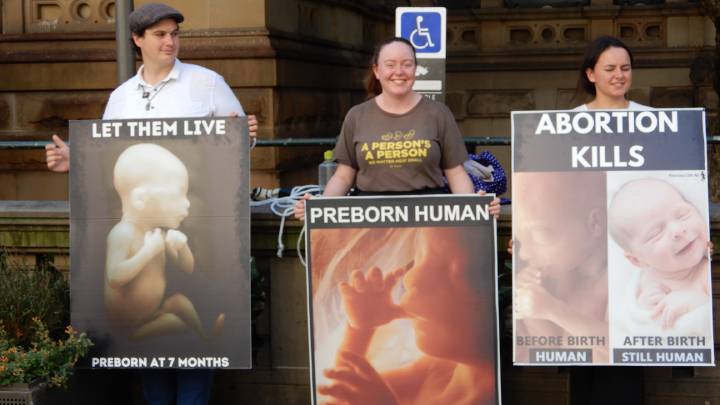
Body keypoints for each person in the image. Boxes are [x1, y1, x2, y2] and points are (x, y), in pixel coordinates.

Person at [45, 3, 257, 404]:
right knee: (152, 364)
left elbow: (237, 146)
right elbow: (106, 155)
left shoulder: (207, 83)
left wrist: (247, 134)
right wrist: (74, 159)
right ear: (137, 40)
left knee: (196, 354)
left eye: (175, 34)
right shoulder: (122, 97)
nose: (170, 42)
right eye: (160, 35)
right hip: (147, 244)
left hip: (197, 233)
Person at [294, 37, 500, 219]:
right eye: (390, 64)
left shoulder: (438, 113)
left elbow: (455, 173)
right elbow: (343, 176)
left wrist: (475, 208)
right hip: (368, 218)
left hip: (430, 219)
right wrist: (318, 209)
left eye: (406, 64)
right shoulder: (357, 116)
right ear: (376, 71)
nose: (399, 72)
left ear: (415, 69)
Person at [314, 227, 498, 405]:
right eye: (418, 258)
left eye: (453, 270)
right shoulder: (437, 367)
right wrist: (360, 329)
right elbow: (344, 393)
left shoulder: (488, 396)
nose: (412, 277)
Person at [106, 143, 224, 340]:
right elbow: (114, 277)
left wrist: (182, 247)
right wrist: (147, 253)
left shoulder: (155, 233)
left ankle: (205, 337)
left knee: (179, 302)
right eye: (178, 194)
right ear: (141, 198)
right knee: (173, 321)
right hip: (128, 325)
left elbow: (187, 268)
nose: (187, 203)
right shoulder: (123, 233)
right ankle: (198, 341)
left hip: (151, 313)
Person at [513, 171, 609, 362]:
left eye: (540, 235)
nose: (524, 254)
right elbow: (549, 350)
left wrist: (554, 310)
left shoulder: (618, 279)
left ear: (595, 223)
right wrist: (532, 304)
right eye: (519, 241)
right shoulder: (560, 276)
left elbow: (623, 345)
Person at [608, 177, 711, 331]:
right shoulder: (641, 282)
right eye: (656, 234)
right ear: (637, 260)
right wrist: (644, 310)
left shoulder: (706, 273)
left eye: (682, 215)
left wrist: (698, 303)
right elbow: (627, 324)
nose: (677, 231)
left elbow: (710, 322)